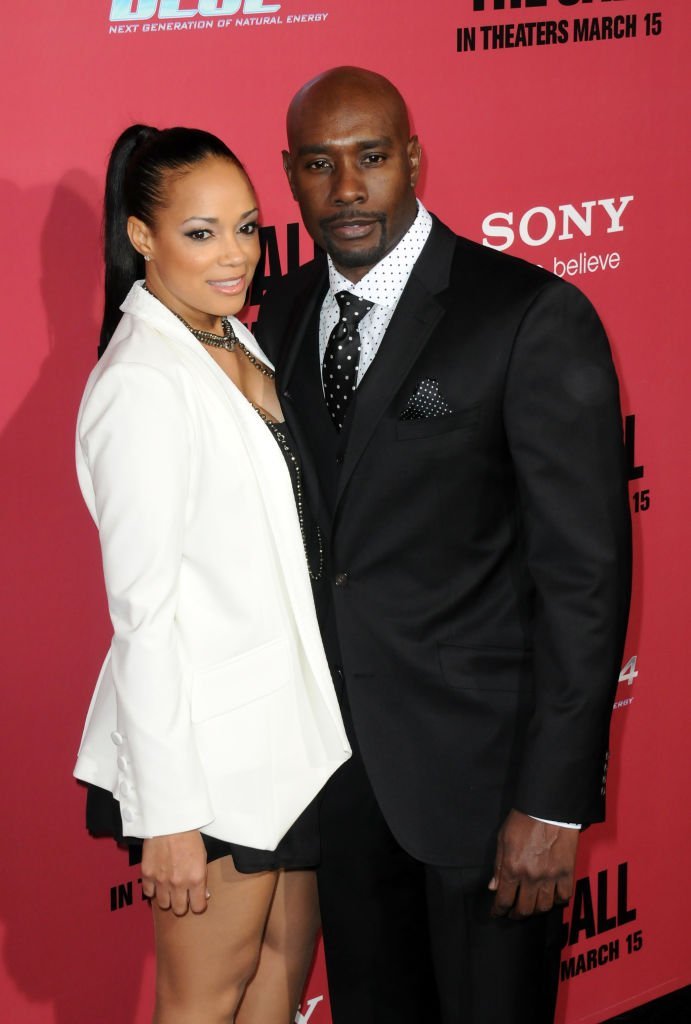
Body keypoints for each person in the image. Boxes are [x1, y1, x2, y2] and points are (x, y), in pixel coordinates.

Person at [255, 68, 632, 1024]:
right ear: (290, 177)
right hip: (342, 786)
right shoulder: (285, 311)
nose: (346, 189)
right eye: (318, 164)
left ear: (413, 158)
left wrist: (550, 804)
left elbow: (583, 578)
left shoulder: (525, 316)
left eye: (371, 158)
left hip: (485, 793)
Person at [73, 124, 350, 1024]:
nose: (234, 255)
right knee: (203, 1005)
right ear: (141, 236)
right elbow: (143, 615)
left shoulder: (233, 337)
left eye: (246, 226)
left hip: (295, 743)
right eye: (201, 233)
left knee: (278, 983)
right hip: (210, 762)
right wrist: (169, 813)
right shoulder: (143, 382)